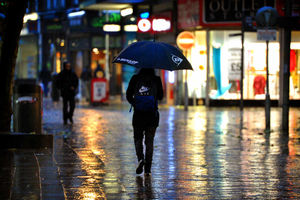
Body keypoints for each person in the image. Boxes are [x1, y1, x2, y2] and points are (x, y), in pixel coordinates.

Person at [126, 68, 163, 176]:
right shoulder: (156, 79)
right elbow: (161, 96)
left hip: (138, 115)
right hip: (152, 115)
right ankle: (148, 169)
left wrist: (135, 103)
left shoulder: (135, 78)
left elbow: (128, 95)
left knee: (138, 138)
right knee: (149, 141)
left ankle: (140, 159)